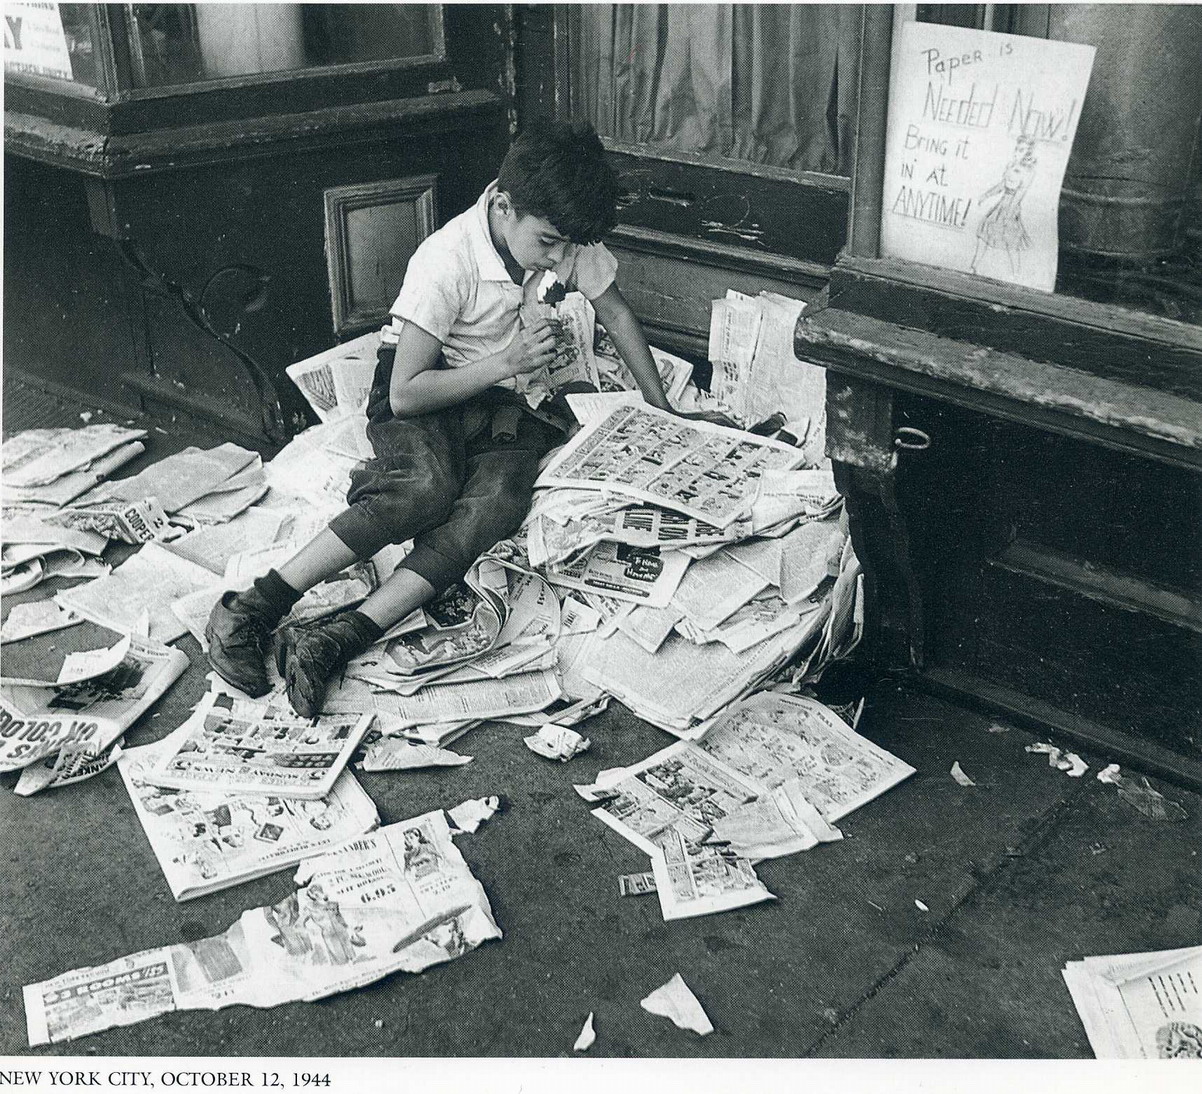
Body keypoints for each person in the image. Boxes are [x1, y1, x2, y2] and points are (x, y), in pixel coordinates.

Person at [206, 119, 679, 716]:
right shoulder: (447, 260)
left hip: (500, 400)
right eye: (549, 243)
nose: (559, 259)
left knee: (499, 501)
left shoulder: (564, 238)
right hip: (428, 387)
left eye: (567, 248)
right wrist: (505, 360)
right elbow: (406, 393)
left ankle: (339, 637)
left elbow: (614, 312)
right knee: (425, 488)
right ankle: (251, 608)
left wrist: (662, 410)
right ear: (503, 207)